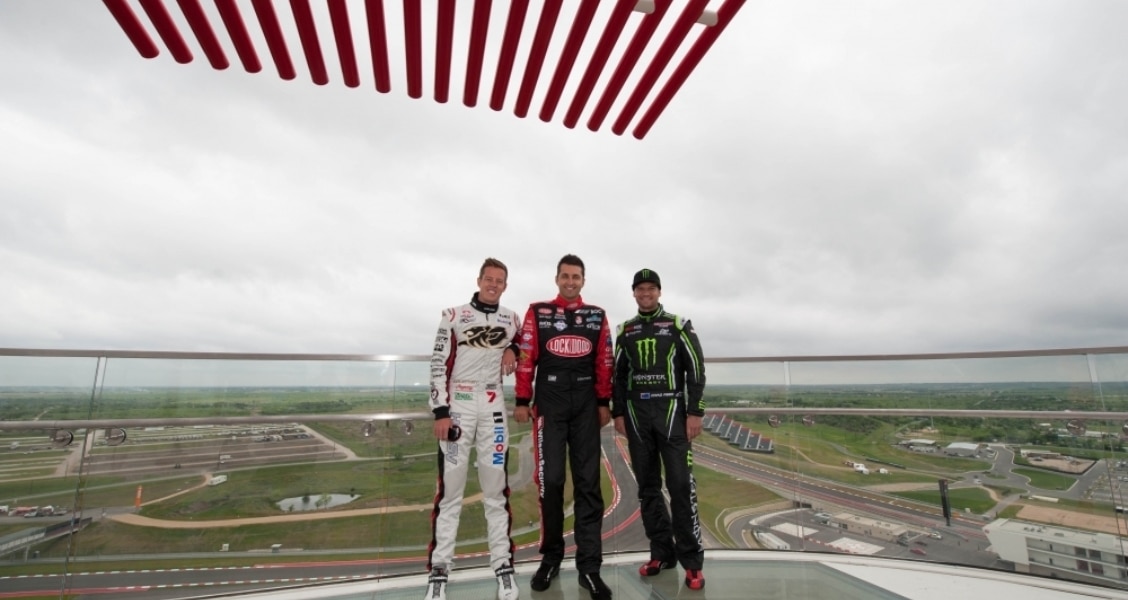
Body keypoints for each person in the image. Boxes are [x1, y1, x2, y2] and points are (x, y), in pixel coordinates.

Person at [514, 254, 614, 600]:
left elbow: (604, 360)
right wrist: (522, 400)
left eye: (576, 277)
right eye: (565, 276)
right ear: (557, 278)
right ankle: (551, 558)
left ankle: (590, 568)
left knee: (589, 484)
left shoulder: (597, 316)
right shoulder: (538, 312)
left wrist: (603, 401)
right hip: (550, 403)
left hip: (586, 403)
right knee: (551, 480)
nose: (571, 281)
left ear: (583, 281)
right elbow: (526, 358)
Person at [424, 258, 522, 600]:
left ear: (505, 286)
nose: (493, 285)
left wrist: (514, 348)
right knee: (450, 492)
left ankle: (503, 565)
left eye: (500, 281)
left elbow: (527, 343)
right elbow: (437, 364)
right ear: (479, 280)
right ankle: (439, 569)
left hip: (494, 407)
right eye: (489, 279)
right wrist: (440, 411)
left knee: (496, 491)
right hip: (458, 407)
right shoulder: (453, 316)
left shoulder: (512, 319)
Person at [611, 268, 707, 590]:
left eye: (651, 288)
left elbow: (696, 370)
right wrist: (619, 413)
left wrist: (695, 412)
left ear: (659, 292)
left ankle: (692, 563)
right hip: (637, 416)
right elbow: (618, 377)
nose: (646, 293)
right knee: (647, 488)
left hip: (672, 414)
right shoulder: (625, 330)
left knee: (680, 485)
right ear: (634, 293)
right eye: (640, 289)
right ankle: (661, 553)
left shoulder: (678, 325)